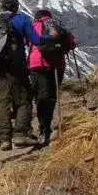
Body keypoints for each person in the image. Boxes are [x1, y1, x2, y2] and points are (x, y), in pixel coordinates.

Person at [0, 0, 52, 150]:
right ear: (16, 4)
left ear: (1, 5)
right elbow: (36, 40)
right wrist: (50, 37)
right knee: (23, 99)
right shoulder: (22, 20)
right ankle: (21, 134)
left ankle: (4, 138)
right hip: (16, 68)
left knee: (1, 102)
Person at [28, 9, 77, 145]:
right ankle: (47, 126)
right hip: (57, 64)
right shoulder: (57, 24)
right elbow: (72, 43)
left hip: (37, 64)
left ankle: (44, 128)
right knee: (51, 96)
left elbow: (25, 41)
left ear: (37, 17)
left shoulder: (33, 26)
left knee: (40, 96)